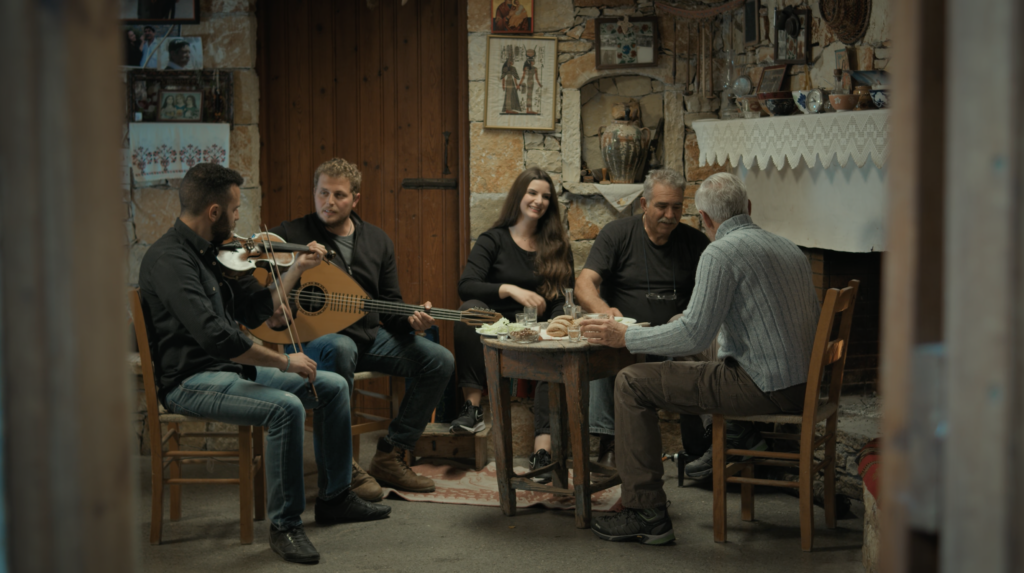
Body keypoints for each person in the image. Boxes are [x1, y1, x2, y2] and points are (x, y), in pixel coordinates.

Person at [138, 163, 390, 564]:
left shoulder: (216, 253)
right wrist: (284, 362)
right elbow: (218, 338)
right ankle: (286, 526)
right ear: (215, 212)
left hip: (230, 372)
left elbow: (258, 309)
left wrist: (295, 270)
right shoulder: (169, 261)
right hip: (189, 381)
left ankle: (335, 497)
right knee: (285, 407)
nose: (241, 219)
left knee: (333, 387)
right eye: (236, 209)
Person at [580, 172, 820, 545]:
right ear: (749, 209)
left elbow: (695, 334)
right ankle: (731, 437)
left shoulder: (720, 251)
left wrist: (627, 336)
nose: (672, 214)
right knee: (700, 350)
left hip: (764, 387)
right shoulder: (790, 248)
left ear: (705, 218)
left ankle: (646, 512)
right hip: (806, 384)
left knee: (631, 382)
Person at [270, 158, 455, 497]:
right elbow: (263, 292)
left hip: (368, 339)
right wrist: (295, 269)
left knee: (439, 359)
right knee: (340, 348)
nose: (329, 202)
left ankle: (390, 455)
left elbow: (391, 303)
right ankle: (341, 470)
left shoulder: (378, 241)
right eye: (323, 193)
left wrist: (412, 319)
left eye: (339, 195)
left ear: (356, 199)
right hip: (312, 343)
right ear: (314, 193)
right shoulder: (290, 235)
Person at [574, 168, 709, 473]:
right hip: (625, 341)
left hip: (675, 339)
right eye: (662, 206)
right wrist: (604, 311)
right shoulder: (617, 234)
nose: (670, 214)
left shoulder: (695, 242)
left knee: (702, 354)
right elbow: (584, 284)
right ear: (644, 204)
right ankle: (609, 445)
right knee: (604, 345)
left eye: (677, 206)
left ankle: (701, 449)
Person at [450, 167, 574, 482]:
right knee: (469, 310)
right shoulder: (494, 239)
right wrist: (509, 289)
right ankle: (472, 409)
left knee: (558, 350)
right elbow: (466, 285)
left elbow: (560, 296)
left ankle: (542, 450)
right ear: (519, 195)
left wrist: (560, 317)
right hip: (496, 329)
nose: (539, 201)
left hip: (537, 332)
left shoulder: (557, 245)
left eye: (546, 196)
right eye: (533, 192)